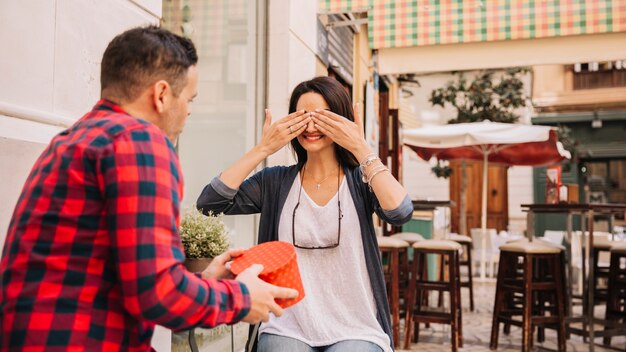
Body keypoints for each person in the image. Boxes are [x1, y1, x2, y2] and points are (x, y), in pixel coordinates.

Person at [0, 26, 297, 350]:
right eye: (189, 98)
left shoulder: (73, 139)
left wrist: (203, 282)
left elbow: (127, 277)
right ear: (161, 94)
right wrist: (241, 298)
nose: (189, 110)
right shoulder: (139, 143)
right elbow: (158, 294)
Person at [196, 76, 413, 352]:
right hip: (287, 325)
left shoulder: (361, 181)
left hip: (356, 327)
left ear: (341, 120)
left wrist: (360, 147)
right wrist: (262, 149)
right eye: (302, 117)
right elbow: (210, 203)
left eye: (322, 117)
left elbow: (400, 211)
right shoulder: (274, 182)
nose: (310, 126)